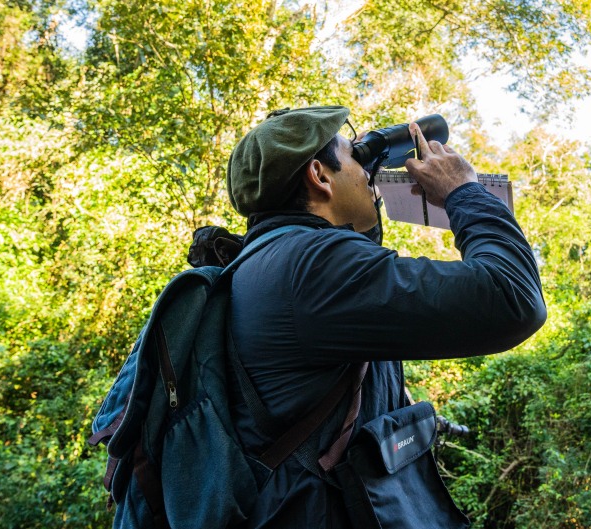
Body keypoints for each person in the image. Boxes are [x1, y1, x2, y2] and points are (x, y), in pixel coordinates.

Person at [225, 105, 546, 527]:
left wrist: (363, 201)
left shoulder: (267, 261)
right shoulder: (314, 268)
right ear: (320, 176)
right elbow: (512, 298)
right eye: (356, 159)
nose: (367, 173)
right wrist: (462, 190)